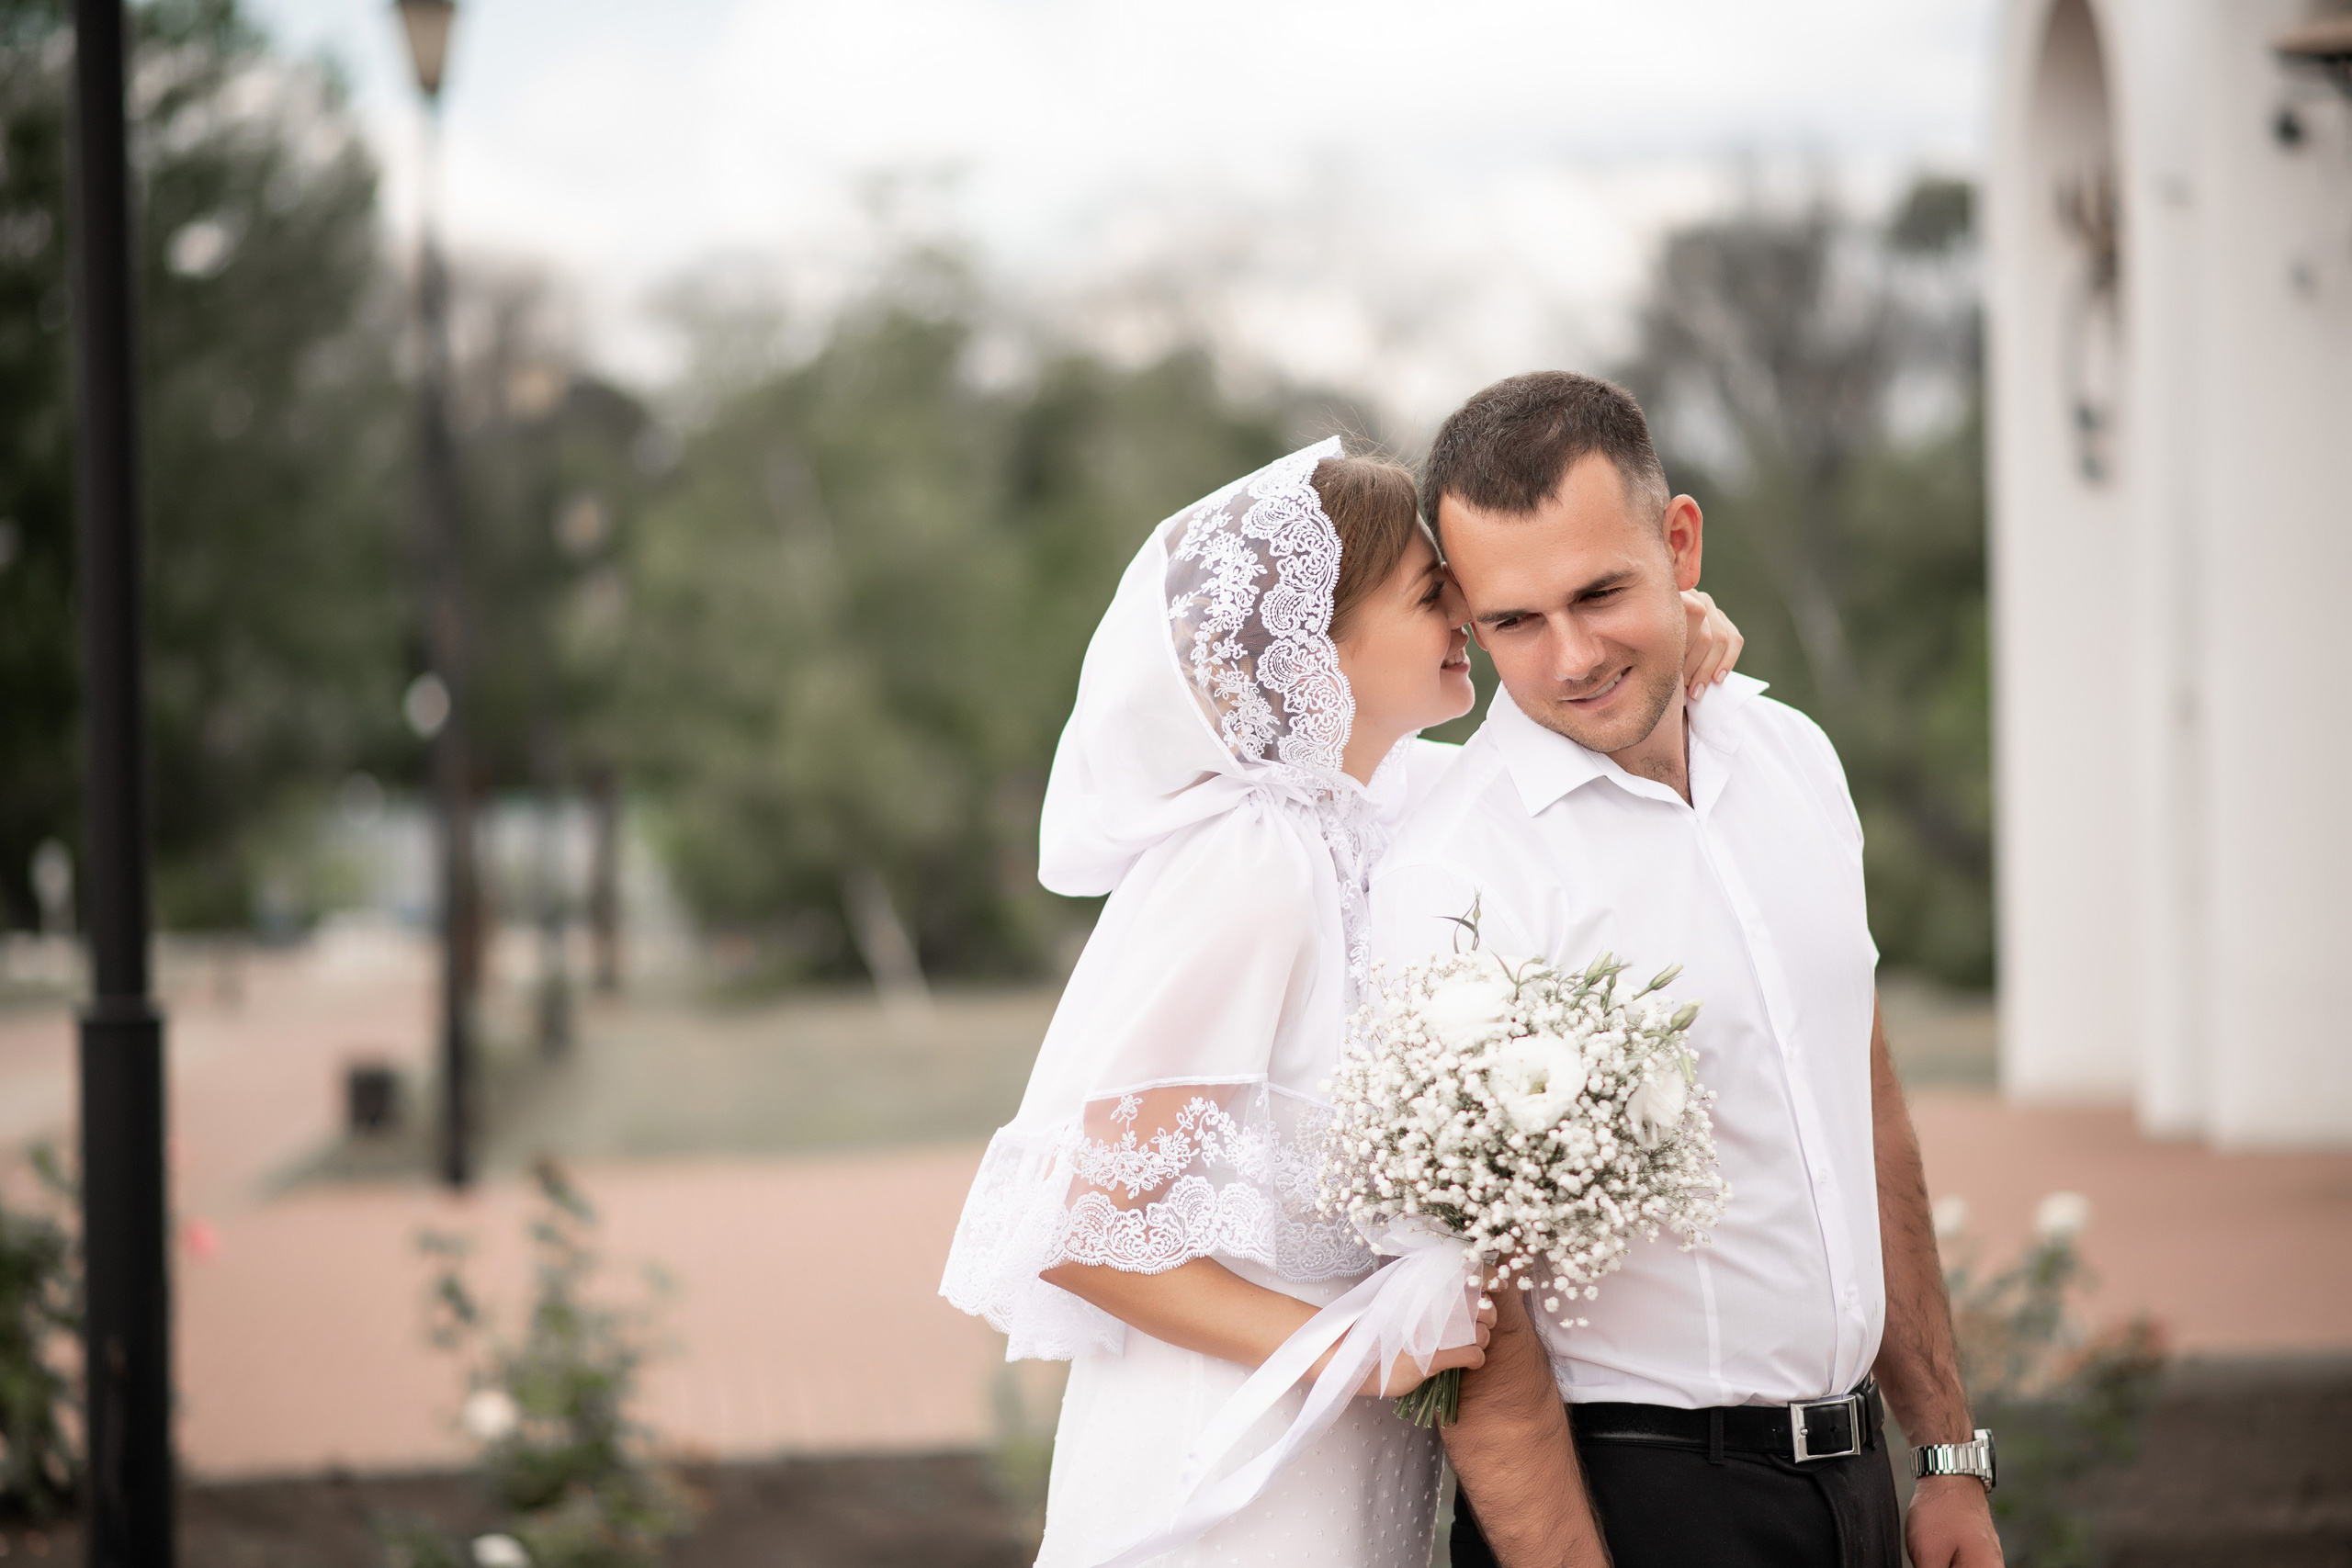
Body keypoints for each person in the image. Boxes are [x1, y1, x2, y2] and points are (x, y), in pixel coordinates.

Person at [939, 437, 1745, 1568]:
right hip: (1228, 1460)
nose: (1464, 615)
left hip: (1353, 1452)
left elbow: (1570, 750)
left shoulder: (1393, 809)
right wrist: (1350, 1350)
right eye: (1430, 594)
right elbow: (1084, 1232)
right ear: (1314, 647)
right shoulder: (1250, 861)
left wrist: (1683, 629)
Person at [1369, 372, 2002, 1568]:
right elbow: (1468, 1310)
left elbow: (1862, 1110)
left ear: (1680, 540)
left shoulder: (1794, 757)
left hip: (1859, 1483)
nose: (1568, 656)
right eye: (1513, 620)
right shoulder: (1455, 871)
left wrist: (1947, 1451)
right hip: (1636, 1503)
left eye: (1601, 592)